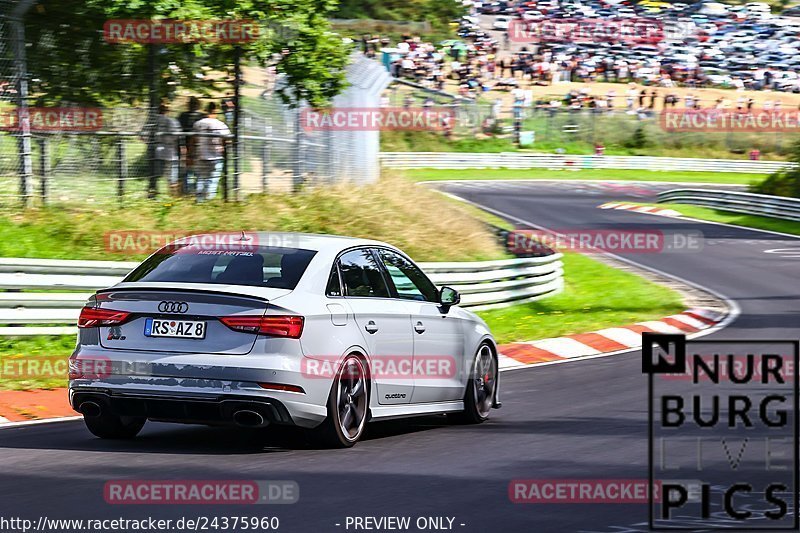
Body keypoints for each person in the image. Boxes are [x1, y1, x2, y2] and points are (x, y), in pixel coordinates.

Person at [193, 102, 231, 202]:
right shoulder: (220, 124)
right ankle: (209, 200)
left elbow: (194, 139)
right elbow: (228, 139)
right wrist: (223, 146)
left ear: (206, 110)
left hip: (201, 155)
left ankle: (199, 200)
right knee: (212, 180)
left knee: (200, 179)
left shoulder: (198, 123)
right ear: (215, 111)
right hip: (215, 156)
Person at [178, 97, 206, 196]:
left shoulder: (182, 116)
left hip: (187, 146)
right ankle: (195, 192)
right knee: (197, 171)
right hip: (198, 147)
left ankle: (188, 192)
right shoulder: (202, 117)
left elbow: (179, 132)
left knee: (187, 171)